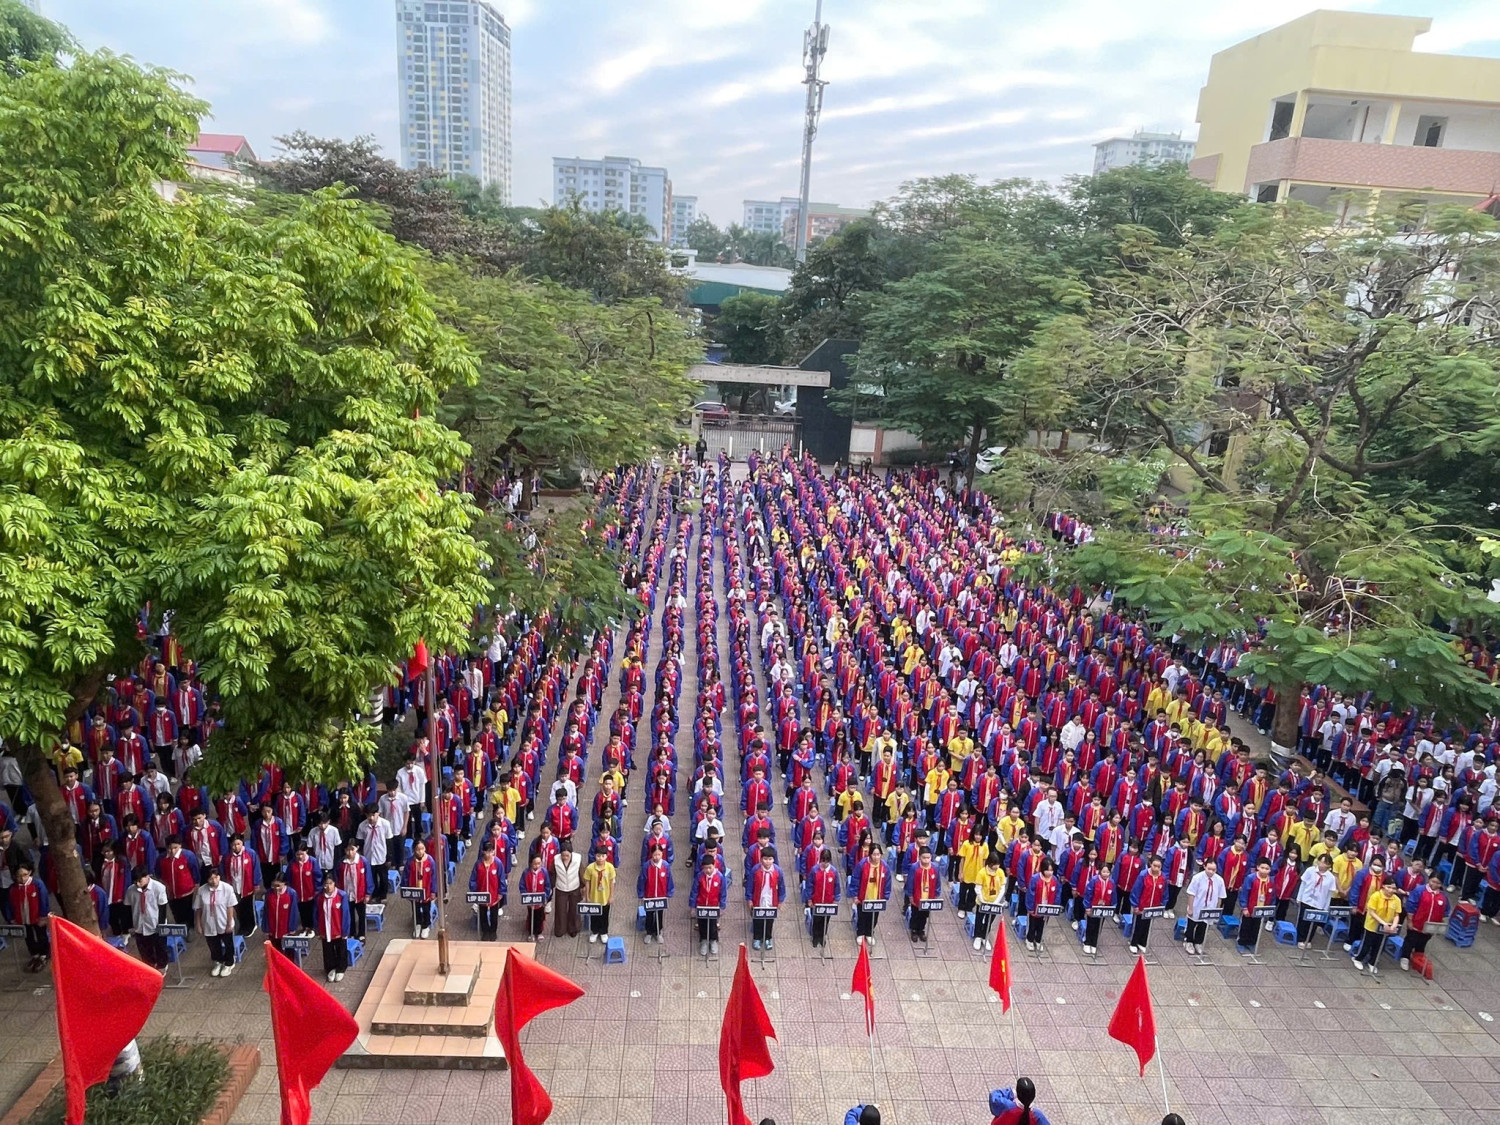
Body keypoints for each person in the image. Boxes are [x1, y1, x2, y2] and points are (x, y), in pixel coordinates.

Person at [193, 867, 239, 978]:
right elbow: (198, 908)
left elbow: (230, 907)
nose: (214, 881)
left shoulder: (227, 888)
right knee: (213, 945)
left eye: (216, 877)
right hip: (208, 923)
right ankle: (218, 961)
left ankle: (229, 962)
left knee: (228, 943)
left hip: (223, 921)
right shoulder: (202, 890)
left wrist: (229, 923)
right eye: (211, 879)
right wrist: (198, 924)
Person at [5, 861, 50, 972]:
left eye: (25, 875)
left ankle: (44, 953)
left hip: (37, 917)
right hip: (22, 918)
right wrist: (11, 918)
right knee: (28, 936)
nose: (22, 878)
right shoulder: (13, 889)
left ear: (30, 872)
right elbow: (9, 904)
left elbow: (44, 900)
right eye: (19, 876)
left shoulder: (37, 884)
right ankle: (34, 953)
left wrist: (43, 916)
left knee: (41, 935)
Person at [1354, 874, 1403, 975]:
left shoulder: (1396, 900)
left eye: (1393, 888)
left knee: (1379, 946)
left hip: (1386, 928)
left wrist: (1394, 925)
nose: (1391, 890)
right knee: (1367, 944)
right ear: (1383, 886)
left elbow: (1397, 914)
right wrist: (1383, 923)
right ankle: (1358, 958)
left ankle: (1373, 962)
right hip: (1372, 925)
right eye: (1389, 887)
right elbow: (1372, 912)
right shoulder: (1376, 896)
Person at [1399, 871, 1449, 970]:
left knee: (1422, 943)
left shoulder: (1443, 896)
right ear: (1429, 880)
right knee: (1410, 940)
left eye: (1438, 883)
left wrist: (1441, 925)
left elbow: (1446, 911)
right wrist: (1410, 921)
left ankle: (1418, 959)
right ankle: (1405, 957)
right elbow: (1411, 906)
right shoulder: (1419, 890)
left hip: (1430, 926)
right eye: (1433, 881)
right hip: (1416, 923)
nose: (1434, 885)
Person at [127, 864, 171, 974]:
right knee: (144, 949)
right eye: (135, 881)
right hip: (140, 925)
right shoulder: (131, 890)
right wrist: (130, 925)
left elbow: (162, 907)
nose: (137, 884)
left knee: (160, 948)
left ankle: (162, 966)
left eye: (140, 881)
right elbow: (127, 907)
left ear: (147, 876)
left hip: (155, 924)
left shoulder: (158, 888)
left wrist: (160, 926)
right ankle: (149, 967)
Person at [314, 873, 353, 983]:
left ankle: (341, 968)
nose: (328, 887)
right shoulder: (319, 897)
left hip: (338, 928)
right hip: (325, 929)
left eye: (330, 884)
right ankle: (330, 968)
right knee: (328, 950)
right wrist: (318, 929)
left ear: (334, 884)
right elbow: (316, 914)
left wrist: (345, 931)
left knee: (341, 949)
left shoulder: (341, 895)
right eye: (326, 884)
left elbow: (345, 914)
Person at [1183, 857, 1226, 956]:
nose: (1211, 872)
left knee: (1203, 926)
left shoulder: (1219, 880)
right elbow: (1191, 893)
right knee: (1191, 925)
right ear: (1204, 867)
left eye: (1213, 870)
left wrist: (1217, 910)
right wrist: (1190, 907)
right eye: (1209, 869)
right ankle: (1188, 941)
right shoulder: (1197, 878)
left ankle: (1198, 942)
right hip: (1197, 906)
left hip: (1209, 908)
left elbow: (1220, 897)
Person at [747, 847, 787, 950]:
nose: (768, 861)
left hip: (771, 900)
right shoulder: (755, 870)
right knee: (757, 920)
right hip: (758, 900)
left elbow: (782, 887)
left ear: (774, 859)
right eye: (765, 859)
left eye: (770, 859)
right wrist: (749, 899)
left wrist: (780, 900)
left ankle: (768, 938)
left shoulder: (778, 871)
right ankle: (757, 937)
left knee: (769, 921)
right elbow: (750, 885)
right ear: (761, 859)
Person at [1295, 854, 1336, 948]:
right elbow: (1303, 884)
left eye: (1325, 863)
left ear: (1329, 865)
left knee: (1313, 922)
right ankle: (1300, 939)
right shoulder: (1310, 870)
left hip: (1319, 902)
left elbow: (1329, 894)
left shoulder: (1331, 877)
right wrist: (1299, 898)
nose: (1322, 864)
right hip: (1306, 899)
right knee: (1303, 920)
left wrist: (1326, 907)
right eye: (1321, 861)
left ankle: (1308, 939)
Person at [469, 839, 505, 941]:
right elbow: (473, 879)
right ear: (482, 851)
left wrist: (501, 892)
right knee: (483, 914)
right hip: (482, 895)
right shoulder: (478, 864)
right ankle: (485, 931)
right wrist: (474, 892)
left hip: (494, 895)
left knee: (494, 916)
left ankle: (493, 931)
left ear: (493, 851)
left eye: (491, 851)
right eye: (486, 851)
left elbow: (502, 879)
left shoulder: (498, 863)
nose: (488, 854)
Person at [638, 842, 674, 943]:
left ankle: (658, 932)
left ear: (662, 854)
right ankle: (649, 932)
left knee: (659, 914)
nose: (657, 857)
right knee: (649, 914)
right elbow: (642, 880)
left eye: (659, 854)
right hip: (649, 896)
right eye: (655, 855)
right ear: (651, 854)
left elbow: (669, 879)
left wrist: (669, 892)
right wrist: (641, 893)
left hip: (661, 896)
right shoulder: (646, 866)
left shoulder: (665, 866)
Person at [691, 852, 727, 956]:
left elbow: (723, 892)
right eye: (705, 868)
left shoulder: (720, 877)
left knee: (712, 924)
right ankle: (703, 940)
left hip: (714, 906)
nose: (708, 870)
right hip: (701, 905)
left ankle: (713, 940)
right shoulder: (699, 877)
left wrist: (722, 906)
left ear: (714, 865)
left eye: (710, 867)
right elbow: (694, 891)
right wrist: (693, 906)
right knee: (702, 923)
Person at [806, 848, 841, 948]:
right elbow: (810, 886)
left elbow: (837, 886)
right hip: (816, 902)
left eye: (827, 861)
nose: (824, 864)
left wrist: (836, 899)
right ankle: (815, 937)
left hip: (828, 902)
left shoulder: (834, 872)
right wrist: (809, 899)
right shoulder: (814, 870)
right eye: (823, 861)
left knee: (826, 920)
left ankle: (822, 936)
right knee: (816, 920)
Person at [907, 847, 942, 943]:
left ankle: (921, 930)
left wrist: (937, 893)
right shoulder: (914, 867)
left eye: (928, 858)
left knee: (924, 915)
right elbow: (910, 882)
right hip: (917, 897)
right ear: (919, 857)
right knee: (915, 915)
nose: (926, 860)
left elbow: (938, 882)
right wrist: (910, 896)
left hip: (929, 897)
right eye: (924, 858)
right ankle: (914, 930)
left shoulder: (935, 867)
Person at [1025, 859, 1061, 952]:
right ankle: (1029, 939)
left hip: (1047, 907)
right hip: (1036, 906)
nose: (1049, 873)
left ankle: (1038, 940)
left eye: (1051, 870)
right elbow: (1030, 894)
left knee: (1042, 925)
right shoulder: (1035, 878)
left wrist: (1055, 906)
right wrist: (1030, 908)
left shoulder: (1054, 880)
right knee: (1033, 924)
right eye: (1047, 870)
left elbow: (1057, 893)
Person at [582, 849, 617, 944]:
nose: (600, 858)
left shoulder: (610, 867)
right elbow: (587, 883)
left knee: (604, 915)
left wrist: (611, 896)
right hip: (594, 897)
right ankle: (595, 931)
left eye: (602, 856)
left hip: (605, 897)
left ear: (606, 856)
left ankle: (604, 932)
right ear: (595, 856)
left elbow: (612, 883)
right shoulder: (590, 868)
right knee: (594, 916)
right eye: (598, 856)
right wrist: (587, 896)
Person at [973, 852, 1006, 951]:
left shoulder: (1000, 872)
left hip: (994, 902)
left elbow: (1002, 888)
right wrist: (983, 901)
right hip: (982, 902)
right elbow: (978, 888)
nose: (996, 866)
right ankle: (977, 937)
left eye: (997, 864)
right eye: (994, 864)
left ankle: (984, 936)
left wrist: (996, 901)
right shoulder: (982, 872)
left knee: (989, 920)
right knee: (979, 919)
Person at [403, 839, 436, 938]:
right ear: (414, 850)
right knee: (415, 908)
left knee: (426, 909)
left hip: (426, 891)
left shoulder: (430, 861)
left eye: (422, 849)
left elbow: (434, 877)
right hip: (414, 891)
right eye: (418, 849)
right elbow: (405, 876)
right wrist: (405, 890)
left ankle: (426, 926)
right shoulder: (409, 862)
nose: (420, 851)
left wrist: (434, 891)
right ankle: (417, 924)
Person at [552, 838, 583, 938]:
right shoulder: (555, 860)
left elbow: (582, 873)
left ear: (571, 854)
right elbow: (552, 873)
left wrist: (583, 887)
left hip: (575, 887)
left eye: (567, 855)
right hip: (561, 887)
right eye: (563, 855)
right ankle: (560, 929)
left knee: (574, 910)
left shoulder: (578, 859)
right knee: (560, 910)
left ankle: (573, 928)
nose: (565, 857)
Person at [519, 853, 551, 940]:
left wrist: (546, 897)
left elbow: (547, 886)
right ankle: (531, 932)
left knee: (540, 916)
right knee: (531, 916)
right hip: (530, 901)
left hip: (540, 902)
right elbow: (522, 886)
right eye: (535, 864)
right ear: (530, 863)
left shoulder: (544, 872)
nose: (537, 866)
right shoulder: (526, 873)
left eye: (539, 863)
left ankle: (539, 932)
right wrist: (525, 896)